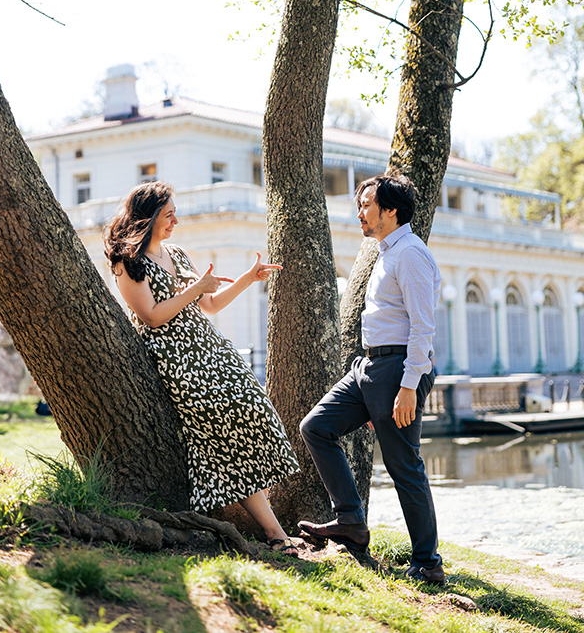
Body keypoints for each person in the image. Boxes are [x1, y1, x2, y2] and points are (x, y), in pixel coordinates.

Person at [103, 181, 301, 554]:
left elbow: (208, 305)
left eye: (174, 213)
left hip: (210, 348)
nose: (175, 221)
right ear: (148, 217)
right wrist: (195, 289)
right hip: (174, 358)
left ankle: (270, 520)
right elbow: (152, 316)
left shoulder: (176, 253)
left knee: (255, 408)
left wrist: (247, 278)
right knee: (220, 428)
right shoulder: (127, 263)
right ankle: (274, 532)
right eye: (168, 215)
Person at [298, 173, 444, 584]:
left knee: (404, 467)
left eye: (366, 205)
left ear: (391, 210)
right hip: (370, 368)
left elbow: (423, 327)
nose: (359, 212)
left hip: (397, 370)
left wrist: (408, 386)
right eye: (360, 205)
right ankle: (350, 521)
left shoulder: (410, 254)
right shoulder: (386, 252)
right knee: (316, 427)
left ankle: (428, 563)